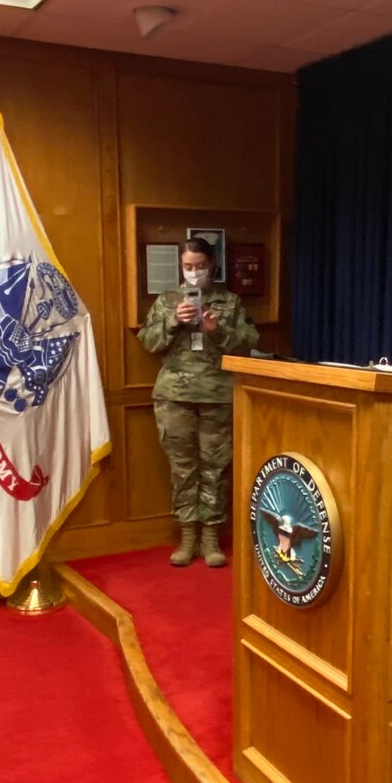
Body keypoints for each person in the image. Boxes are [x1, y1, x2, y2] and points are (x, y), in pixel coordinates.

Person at [138, 237, 259, 568]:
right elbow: (148, 342)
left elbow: (248, 345)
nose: (194, 273)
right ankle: (187, 535)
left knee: (215, 467)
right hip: (174, 398)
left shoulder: (229, 302)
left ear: (212, 266)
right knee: (183, 468)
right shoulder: (166, 301)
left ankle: (211, 537)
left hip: (218, 396)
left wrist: (216, 329)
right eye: (188, 267)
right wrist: (173, 320)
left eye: (200, 267)